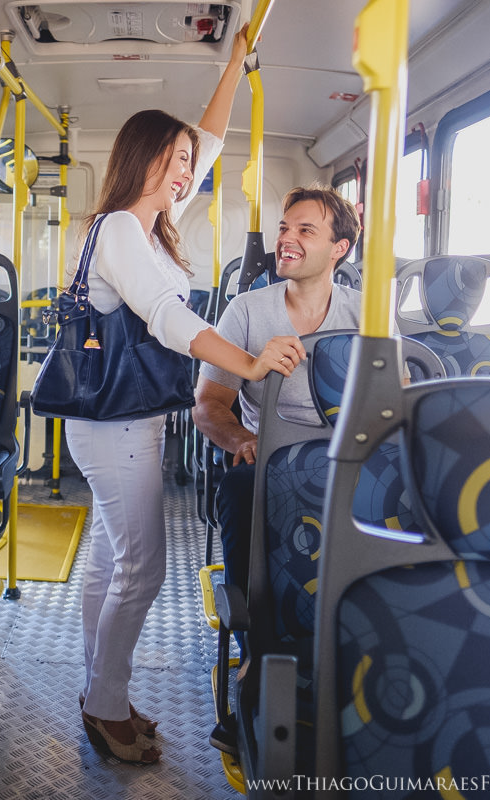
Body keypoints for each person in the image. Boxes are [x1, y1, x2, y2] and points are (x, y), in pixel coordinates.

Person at [67, 22, 292, 766]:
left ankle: (103, 690)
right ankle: (105, 706)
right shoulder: (124, 231)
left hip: (126, 421)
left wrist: (233, 64)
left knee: (109, 558)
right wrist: (252, 364)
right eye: (174, 160)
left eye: (188, 164)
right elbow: (168, 321)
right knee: (143, 568)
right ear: (142, 160)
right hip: (117, 425)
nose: (186, 172)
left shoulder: (150, 227)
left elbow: (216, 138)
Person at [192, 183, 363, 753]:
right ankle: (254, 653)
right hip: (268, 458)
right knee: (241, 487)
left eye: (304, 231)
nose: (286, 240)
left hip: (348, 460)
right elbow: (209, 406)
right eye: (284, 228)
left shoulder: (365, 315)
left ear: (339, 248)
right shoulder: (248, 310)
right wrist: (241, 438)